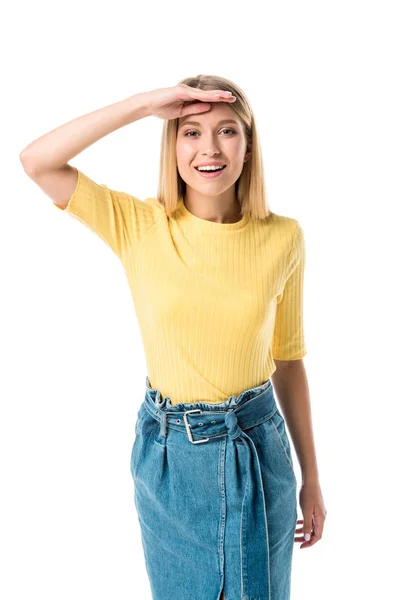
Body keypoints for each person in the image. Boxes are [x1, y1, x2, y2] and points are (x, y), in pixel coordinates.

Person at [20, 75, 327, 600]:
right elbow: (38, 161)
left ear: (248, 148)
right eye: (190, 132)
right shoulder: (140, 225)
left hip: (257, 449)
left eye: (226, 131)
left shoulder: (283, 237)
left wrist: (312, 478)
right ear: (173, 144)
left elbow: (289, 360)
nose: (209, 148)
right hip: (170, 461)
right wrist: (144, 104)